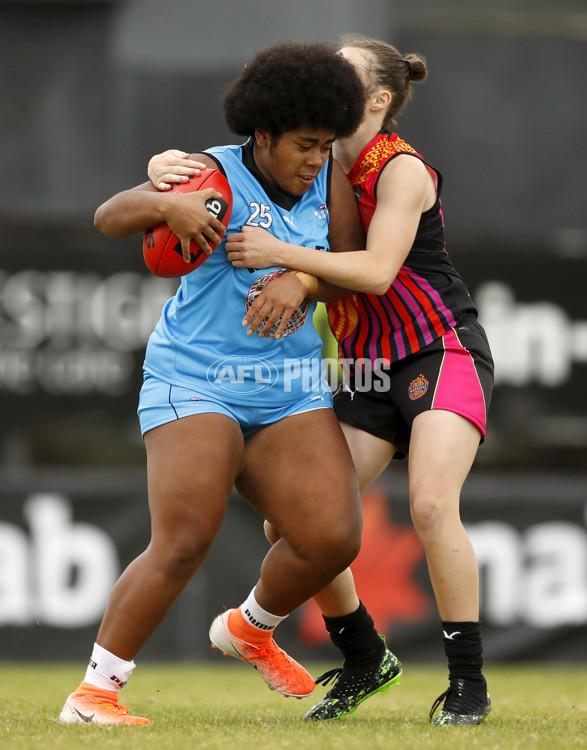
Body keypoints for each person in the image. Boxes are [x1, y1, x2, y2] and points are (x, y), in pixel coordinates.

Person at [148, 33, 494, 727]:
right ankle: (366, 655)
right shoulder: (319, 156)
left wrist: (284, 260)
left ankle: (467, 683)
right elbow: (251, 185)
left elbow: (374, 272)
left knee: (430, 505)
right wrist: (162, 168)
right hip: (366, 363)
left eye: (343, 73)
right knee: (298, 521)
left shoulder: (400, 170)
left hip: (437, 351)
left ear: (378, 100)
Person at [58, 41, 369, 726]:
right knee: (184, 536)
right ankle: (94, 695)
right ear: (263, 134)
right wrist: (165, 207)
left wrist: (305, 275)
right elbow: (110, 216)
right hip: (197, 378)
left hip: (288, 385)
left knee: (332, 538)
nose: (316, 160)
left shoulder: (329, 182)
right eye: (304, 145)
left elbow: (352, 262)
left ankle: (252, 628)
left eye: (326, 145)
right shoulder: (209, 174)